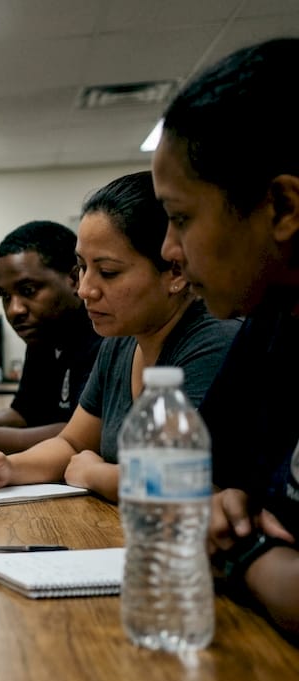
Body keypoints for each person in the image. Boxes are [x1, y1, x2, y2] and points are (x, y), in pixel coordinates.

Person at [0, 171, 239, 501]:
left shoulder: (215, 342)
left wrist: (92, 472)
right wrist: (5, 467)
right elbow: (71, 443)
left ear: (175, 271)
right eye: (83, 268)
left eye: (108, 272)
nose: (85, 289)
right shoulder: (120, 342)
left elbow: (185, 483)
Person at [152, 37, 299, 637]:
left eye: (181, 217)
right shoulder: (272, 320)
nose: (169, 250)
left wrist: (244, 554)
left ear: (283, 206)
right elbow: (199, 494)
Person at [0, 221, 102, 454]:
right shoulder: (41, 338)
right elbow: (23, 413)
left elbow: (83, 433)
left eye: (28, 290)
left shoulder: (102, 335)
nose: (14, 310)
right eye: (4, 296)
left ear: (74, 280)